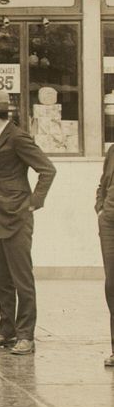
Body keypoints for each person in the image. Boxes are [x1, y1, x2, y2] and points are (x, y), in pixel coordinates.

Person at [0, 95, 55, 356]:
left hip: (16, 215)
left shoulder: (17, 137)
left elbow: (47, 169)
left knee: (22, 278)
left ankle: (26, 336)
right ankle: (6, 330)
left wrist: (34, 202)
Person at [94, 141, 114, 368]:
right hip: (109, 223)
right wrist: (100, 207)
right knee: (112, 286)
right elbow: (103, 183)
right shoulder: (113, 150)